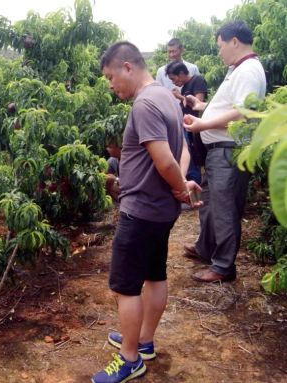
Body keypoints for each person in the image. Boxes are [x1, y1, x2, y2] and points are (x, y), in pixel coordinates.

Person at [93, 41, 201, 383]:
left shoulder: (144, 105)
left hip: (140, 211)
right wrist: (180, 186)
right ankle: (143, 341)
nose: (110, 85)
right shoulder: (167, 98)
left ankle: (129, 359)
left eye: (111, 77)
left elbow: (164, 159)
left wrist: (182, 190)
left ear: (127, 67)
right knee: (155, 275)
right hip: (161, 211)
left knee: (126, 287)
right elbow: (181, 151)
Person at [183, 21, 266, 283]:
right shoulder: (238, 69)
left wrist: (203, 124)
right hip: (218, 151)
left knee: (225, 209)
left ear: (234, 42)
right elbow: (231, 104)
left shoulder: (248, 70)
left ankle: (223, 266)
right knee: (210, 204)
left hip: (228, 151)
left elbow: (243, 113)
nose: (219, 52)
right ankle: (206, 248)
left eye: (220, 46)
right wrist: (203, 105)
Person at [166, 61, 209, 184]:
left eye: (173, 79)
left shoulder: (197, 80)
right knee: (190, 153)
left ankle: (196, 180)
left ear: (181, 73)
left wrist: (179, 97)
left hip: (196, 125)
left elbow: (198, 104)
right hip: (187, 125)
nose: (174, 82)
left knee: (195, 153)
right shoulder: (185, 87)